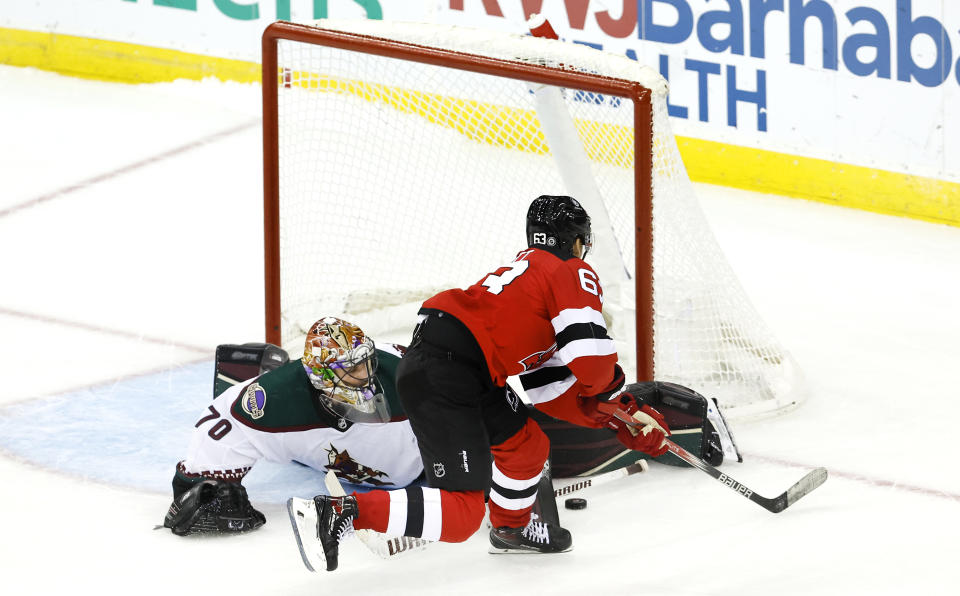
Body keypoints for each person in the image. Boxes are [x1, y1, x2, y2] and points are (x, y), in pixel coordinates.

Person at [296, 195, 681, 570]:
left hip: (461, 365)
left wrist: (617, 420)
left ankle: (510, 530)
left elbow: (549, 391)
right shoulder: (568, 271)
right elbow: (592, 361)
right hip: (449, 370)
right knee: (462, 514)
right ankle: (339, 512)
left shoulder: (527, 287)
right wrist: (621, 400)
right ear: (576, 241)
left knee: (528, 446)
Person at [161, 317, 424, 536]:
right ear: (323, 375)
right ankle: (252, 368)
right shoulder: (274, 399)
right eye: (352, 369)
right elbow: (223, 418)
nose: (366, 376)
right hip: (325, 456)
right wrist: (202, 484)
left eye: (367, 362)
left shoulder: (405, 372)